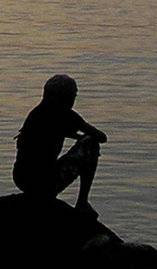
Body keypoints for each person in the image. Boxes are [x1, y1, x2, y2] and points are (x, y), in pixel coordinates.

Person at [12, 74, 107, 217]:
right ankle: (82, 202)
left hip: (22, 179)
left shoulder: (37, 113)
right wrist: (81, 135)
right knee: (91, 144)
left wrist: (72, 134)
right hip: (43, 182)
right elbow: (101, 137)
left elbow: (52, 131)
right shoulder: (65, 114)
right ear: (67, 97)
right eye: (73, 96)